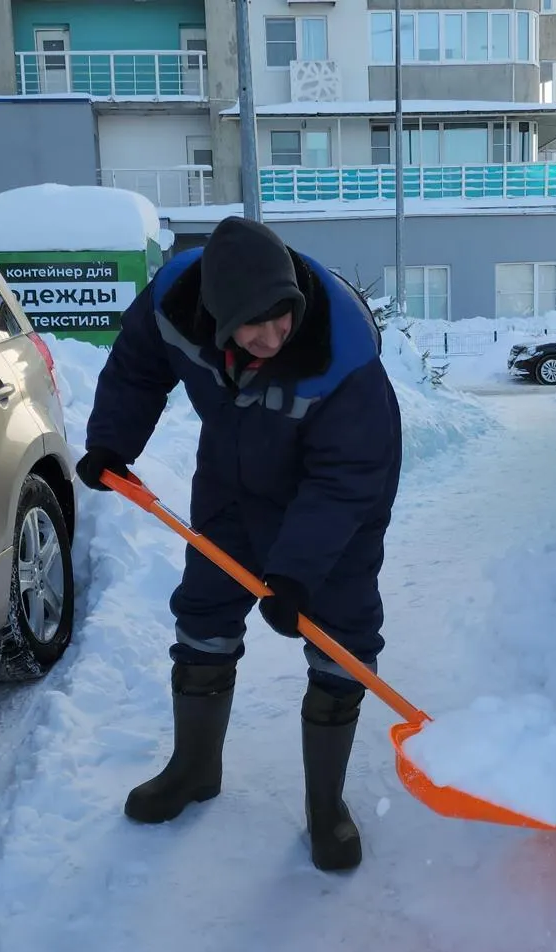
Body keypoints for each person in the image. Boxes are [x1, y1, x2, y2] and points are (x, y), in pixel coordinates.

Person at [75, 216, 403, 873]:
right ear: (217, 316)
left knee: (342, 637)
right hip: (230, 484)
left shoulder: (341, 355)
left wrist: (296, 574)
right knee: (204, 614)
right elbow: (138, 367)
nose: (276, 336)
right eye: (257, 327)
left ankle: (324, 806)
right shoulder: (174, 302)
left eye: (285, 320)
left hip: (337, 507)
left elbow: (348, 480)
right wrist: (113, 440)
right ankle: (194, 769)